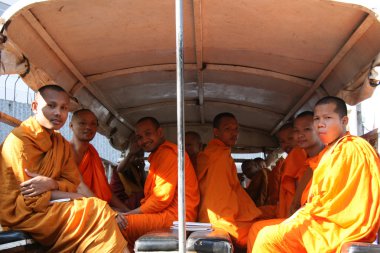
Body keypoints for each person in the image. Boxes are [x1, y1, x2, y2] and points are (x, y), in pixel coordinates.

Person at [0, 85, 128, 252]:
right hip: (23, 214)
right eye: (51, 106)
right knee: (98, 210)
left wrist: (53, 184)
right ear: (35, 107)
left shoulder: (60, 143)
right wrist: (84, 199)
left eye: (64, 108)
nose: (58, 113)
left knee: (99, 211)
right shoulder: (20, 141)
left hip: (49, 205)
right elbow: (31, 196)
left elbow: (72, 182)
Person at [252, 96, 380, 252]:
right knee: (261, 232)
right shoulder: (329, 152)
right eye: (317, 119)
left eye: (327, 118)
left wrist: (299, 217)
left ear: (344, 121)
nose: (320, 124)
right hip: (322, 222)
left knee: (268, 238)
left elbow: (334, 206)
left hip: (337, 227)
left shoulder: (351, 149)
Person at [247, 110, 324, 252]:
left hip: (308, 221)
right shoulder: (305, 158)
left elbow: (297, 198)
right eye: (282, 141)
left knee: (258, 229)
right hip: (290, 212)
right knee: (254, 221)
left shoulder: (300, 155)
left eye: (290, 139)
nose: (287, 144)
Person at [120, 117, 200, 246]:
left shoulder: (168, 154)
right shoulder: (158, 155)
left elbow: (160, 199)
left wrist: (130, 214)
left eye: (148, 133)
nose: (144, 140)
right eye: (139, 137)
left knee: (116, 224)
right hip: (165, 215)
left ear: (160, 132)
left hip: (175, 219)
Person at [196, 112, 262, 248]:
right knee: (262, 232)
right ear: (216, 132)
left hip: (223, 214)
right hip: (221, 220)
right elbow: (219, 201)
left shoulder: (220, 153)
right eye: (227, 129)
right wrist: (229, 226)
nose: (234, 133)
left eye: (236, 129)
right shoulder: (218, 157)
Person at [69, 109, 129, 212]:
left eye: (93, 124)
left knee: (127, 215)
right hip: (72, 205)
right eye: (82, 123)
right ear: (71, 126)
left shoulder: (93, 154)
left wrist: (127, 210)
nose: (88, 127)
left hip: (95, 204)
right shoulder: (65, 151)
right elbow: (80, 186)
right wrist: (106, 210)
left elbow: (105, 189)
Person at [110, 133, 146, 210]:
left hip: (132, 200)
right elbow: (119, 169)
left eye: (141, 155)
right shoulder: (123, 166)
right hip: (121, 203)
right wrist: (130, 154)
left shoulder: (136, 169)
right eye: (137, 155)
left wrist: (142, 169)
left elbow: (145, 186)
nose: (139, 158)